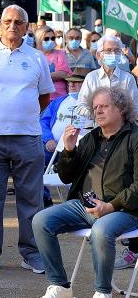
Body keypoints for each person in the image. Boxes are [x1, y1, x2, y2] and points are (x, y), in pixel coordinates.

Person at [0, 5, 54, 275]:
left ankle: (31, 253)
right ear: (0, 24)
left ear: (27, 26)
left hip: (27, 137)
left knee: (32, 199)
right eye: (7, 21)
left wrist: (22, 116)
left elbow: (44, 97)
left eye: (18, 22)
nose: (12, 26)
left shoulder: (37, 57)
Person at [33, 87, 138, 298]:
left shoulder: (135, 138)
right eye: (95, 107)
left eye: (104, 106)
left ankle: (102, 292)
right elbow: (66, 177)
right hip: (85, 206)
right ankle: (60, 286)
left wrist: (110, 206)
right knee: (40, 220)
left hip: (124, 210)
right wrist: (69, 150)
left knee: (101, 230)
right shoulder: (90, 138)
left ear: (121, 109)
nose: (97, 111)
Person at [39, 68, 90, 208]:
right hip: (53, 149)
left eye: (77, 82)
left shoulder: (93, 104)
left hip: (81, 151)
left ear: (87, 84)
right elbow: (43, 122)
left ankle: (79, 200)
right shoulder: (58, 101)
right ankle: (44, 199)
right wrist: (48, 139)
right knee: (34, 158)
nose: (71, 85)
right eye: (70, 82)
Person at [77, 35, 138, 119]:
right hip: (96, 127)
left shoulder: (128, 78)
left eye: (117, 51)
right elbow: (81, 106)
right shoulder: (91, 77)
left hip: (122, 128)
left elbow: (135, 107)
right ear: (99, 55)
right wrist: (99, 115)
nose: (113, 54)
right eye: (108, 50)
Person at [35, 26, 72, 100]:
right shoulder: (33, 55)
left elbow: (63, 73)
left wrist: (40, 77)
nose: (50, 41)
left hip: (59, 96)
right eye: (46, 39)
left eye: (52, 38)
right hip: (39, 97)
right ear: (39, 39)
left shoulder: (60, 53)